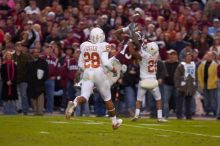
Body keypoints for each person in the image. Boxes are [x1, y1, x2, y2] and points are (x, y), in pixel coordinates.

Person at [65, 27, 122, 130]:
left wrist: (87, 70)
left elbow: (80, 65)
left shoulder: (84, 45)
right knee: (107, 98)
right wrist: (113, 69)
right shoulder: (104, 45)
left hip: (87, 72)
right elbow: (105, 62)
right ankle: (114, 122)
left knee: (84, 97)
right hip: (99, 72)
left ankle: (74, 103)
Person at [132, 42, 167, 122]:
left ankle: (136, 115)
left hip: (144, 80)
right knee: (158, 99)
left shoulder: (144, 56)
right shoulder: (156, 56)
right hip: (153, 81)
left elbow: (137, 53)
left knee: (139, 99)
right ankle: (160, 117)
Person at [174, 52, 197, 119]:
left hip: (190, 86)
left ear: (192, 58)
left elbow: (196, 76)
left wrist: (195, 86)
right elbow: (176, 76)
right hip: (182, 85)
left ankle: (188, 116)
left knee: (189, 102)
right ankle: (179, 115)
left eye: (190, 56)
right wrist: (177, 86)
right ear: (185, 57)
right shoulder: (181, 65)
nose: (188, 57)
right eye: (187, 56)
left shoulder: (193, 65)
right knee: (180, 102)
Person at [27, 48, 48, 115]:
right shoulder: (30, 63)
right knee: (33, 98)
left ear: (39, 53)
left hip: (40, 84)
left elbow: (46, 73)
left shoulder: (43, 62)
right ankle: (35, 112)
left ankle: (40, 112)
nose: (36, 53)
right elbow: (27, 73)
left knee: (40, 98)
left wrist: (42, 80)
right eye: (34, 52)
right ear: (32, 54)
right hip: (31, 84)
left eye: (37, 52)